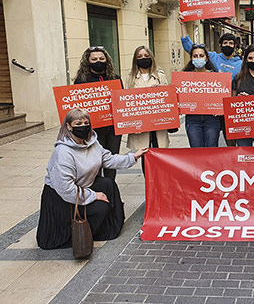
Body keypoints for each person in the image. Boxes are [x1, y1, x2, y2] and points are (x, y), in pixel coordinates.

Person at [36, 109, 147, 250]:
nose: (83, 126)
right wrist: (95, 196)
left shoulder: (92, 143)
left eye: (86, 123)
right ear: (69, 126)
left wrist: (134, 156)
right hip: (61, 198)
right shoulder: (63, 152)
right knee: (101, 207)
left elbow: (109, 159)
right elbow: (66, 189)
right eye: (78, 123)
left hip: (82, 186)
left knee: (108, 183)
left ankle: (109, 226)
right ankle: (80, 234)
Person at [179, 15, 242, 146]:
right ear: (220, 45)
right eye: (225, 43)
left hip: (229, 109)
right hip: (210, 110)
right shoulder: (213, 57)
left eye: (231, 43)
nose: (228, 46)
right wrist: (182, 24)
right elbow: (189, 46)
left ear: (235, 46)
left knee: (232, 144)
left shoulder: (240, 64)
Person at [73, 46, 122, 180]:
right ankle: (98, 191)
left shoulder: (115, 79)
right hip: (93, 129)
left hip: (113, 128)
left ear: (107, 60)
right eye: (94, 59)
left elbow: (121, 101)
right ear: (88, 61)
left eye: (101, 58)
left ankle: (111, 191)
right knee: (95, 161)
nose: (98, 61)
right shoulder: (81, 81)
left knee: (112, 160)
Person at [126, 46, 169, 173]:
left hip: (158, 124)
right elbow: (127, 102)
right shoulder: (130, 78)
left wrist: (160, 89)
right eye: (139, 57)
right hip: (141, 125)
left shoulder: (160, 76)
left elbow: (168, 98)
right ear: (135, 60)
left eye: (146, 56)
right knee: (145, 156)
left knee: (160, 154)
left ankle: (161, 185)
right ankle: (149, 185)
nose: (143, 59)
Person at [182, 45, 221, 148]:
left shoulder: (215, 76)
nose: (198, 58)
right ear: (191, 59)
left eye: (201, 55)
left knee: (211, 150)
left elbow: (221, 96)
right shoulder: (184, 78)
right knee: (196, 151)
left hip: (212, 119)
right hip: (193, 119)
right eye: (195, 56)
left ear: (206, 58)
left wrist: (219, 108)